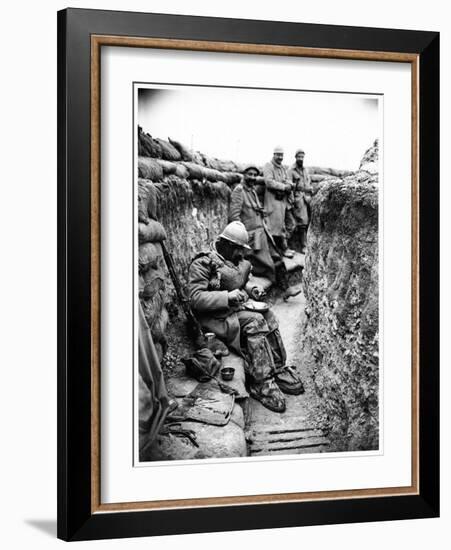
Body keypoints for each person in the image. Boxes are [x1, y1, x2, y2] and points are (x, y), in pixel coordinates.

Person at [188, 221, 305, 413]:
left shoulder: (234, 259)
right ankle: (261, 381)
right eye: (238, 249)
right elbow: (195, 298)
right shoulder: (203, 263)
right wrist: (227, 296)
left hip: (234, 311)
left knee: (268, 315)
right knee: (255, 321)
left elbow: (244, 280)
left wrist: (253, 290)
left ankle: (277, 367)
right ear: (227, 245)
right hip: (215, 320)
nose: (241, 254)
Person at [229, 165, 302, 299]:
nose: (252, 177)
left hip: (262, 235)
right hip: (251, 240)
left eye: (254, 175)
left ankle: (286, 289)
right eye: (249, 174)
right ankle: (283, 289)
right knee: (268, 264)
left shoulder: (252, 191)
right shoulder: (239, 191)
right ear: (243, 175)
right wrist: (243, 238)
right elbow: (234, 218)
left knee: (277, 258)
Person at [262, 146, 296, 258]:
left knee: (283, 226)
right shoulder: (269, 166)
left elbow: (286, 179)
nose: (280, 157)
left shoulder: (282, 168)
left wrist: (289, 184)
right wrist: (283, 187)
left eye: (282, 155)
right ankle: (276, 251)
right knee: (273, 228)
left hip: (282, 202)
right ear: (274, 154)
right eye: (278, 155)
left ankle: (283, 249)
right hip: (272, 201)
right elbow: (269, 182)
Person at [287, 148, 314, 253]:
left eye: (302, 157)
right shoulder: (291, 170)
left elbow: (308, 182)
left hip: (307, 198)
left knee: (309, 221)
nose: (301, 159)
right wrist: (292, 200)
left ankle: (307, 243)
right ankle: (303, 245)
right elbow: (289, 186)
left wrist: (309, 191)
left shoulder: (305, 170)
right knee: (302, 222)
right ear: (295, 157)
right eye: (299, 157)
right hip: (298, 198)